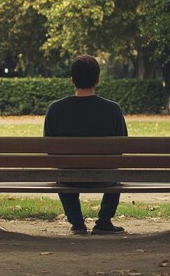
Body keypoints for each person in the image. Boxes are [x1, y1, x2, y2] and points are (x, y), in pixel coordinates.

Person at [43, 55, 128, 235]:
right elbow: (122, 147)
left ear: (72, 80)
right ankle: (104, 221)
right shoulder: (113, 109)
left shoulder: (55, 109)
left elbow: (49, 150)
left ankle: (77, 223)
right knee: (116, 174)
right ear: (97, 80)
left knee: (63, 173)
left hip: (69, 178)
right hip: (104, 176)